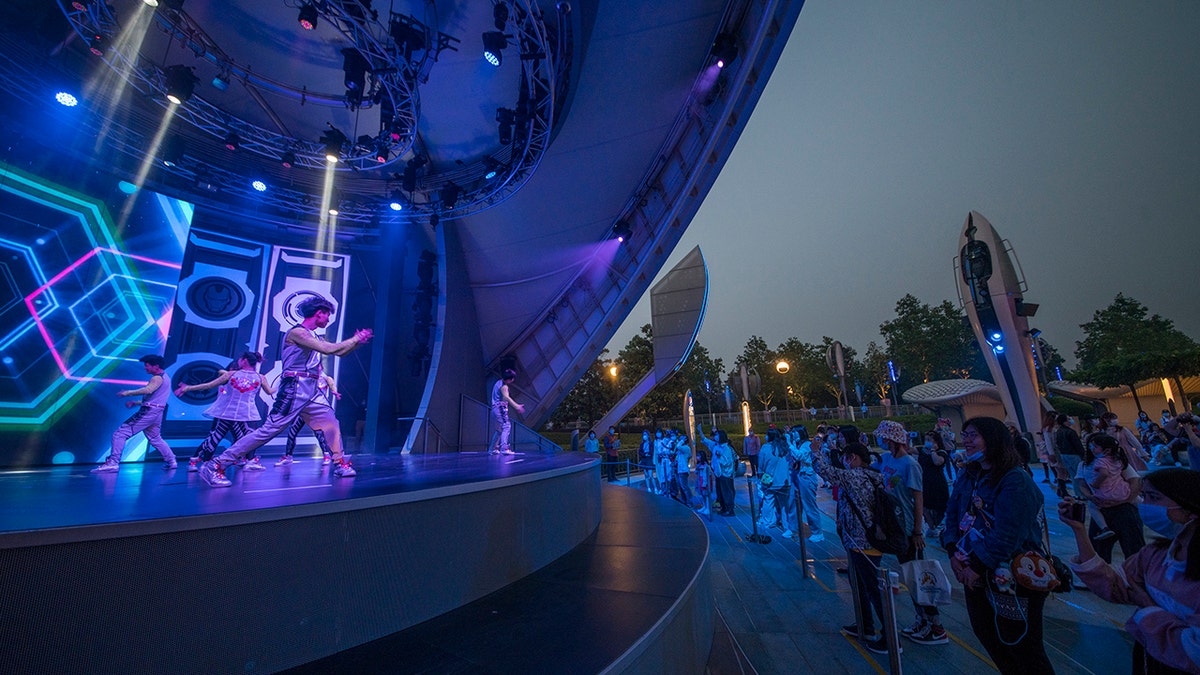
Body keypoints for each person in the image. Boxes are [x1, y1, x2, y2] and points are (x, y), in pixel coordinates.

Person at [198, 295, 372, 488]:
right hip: (295, 387)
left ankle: (340, 463)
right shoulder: (297, 332)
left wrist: (356, 343)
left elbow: (339, 352)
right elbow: (328, 349)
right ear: (318, 313)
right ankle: (216, 464)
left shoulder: (314, 335)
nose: (328, 319)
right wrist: (355, 338)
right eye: (327, 315)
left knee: (331, 423)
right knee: (268, 431)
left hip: (312, 389)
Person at [1060, 468, 1200, 674]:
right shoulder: (1157, 554)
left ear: (1190, 508)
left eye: (1154, 497)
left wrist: (1148, 606)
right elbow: (1114, 583)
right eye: (1144, 496)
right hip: (1150, 659)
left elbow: (1194, 651)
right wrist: (1079, 530)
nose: (1146, 505)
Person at [942, 417, 1054, 674]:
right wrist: (952, 553)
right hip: (972, 572)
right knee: (990, 637)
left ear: (994, 439)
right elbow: (953, 513)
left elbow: (1009, 533)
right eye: (965, 434)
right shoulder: (968, 474)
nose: (967, 440)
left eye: (974, 435)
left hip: (1011, 576)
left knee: (1022, 646)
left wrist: (978, 566)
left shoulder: (1015, 479)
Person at [810, 441, 893, 655]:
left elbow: (825, 471)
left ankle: (891, 639)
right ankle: (865, 625)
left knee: (873, 589)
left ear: (854, 458)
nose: (844, 462)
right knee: (862, 586)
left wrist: (816, 452)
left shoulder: (856, 476)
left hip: (863, 542)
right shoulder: (872, 475)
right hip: (860, 541)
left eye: (846, 458)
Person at [874, 420, 945, 646]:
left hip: (908, 527)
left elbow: (917, 498)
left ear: (893, 439)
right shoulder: (885, 459)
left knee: (917, 576)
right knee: (908, 575)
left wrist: (917, 530)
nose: (881, 441)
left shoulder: (910, 465)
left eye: (884, 437)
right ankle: (921, 619)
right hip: (893, 526)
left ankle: (935, 626)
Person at [175, 352, 275, 472]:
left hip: (227, 412)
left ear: (244, 361)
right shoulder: (260, 377)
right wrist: (281, 385)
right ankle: (249, 461)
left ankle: (205, 463)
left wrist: (187, 388)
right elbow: (269, 391)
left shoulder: (231, 374)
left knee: (216, 437)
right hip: (247, 413)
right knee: (249, 438)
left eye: (240, 359)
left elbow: (208, 385)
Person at [92, 354, 178, 473]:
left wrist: (127, 393)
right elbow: (155, 398)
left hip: (149, 412)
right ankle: (171, 461)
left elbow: (149, 390)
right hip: (157, 412)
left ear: (156, 366)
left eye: (147, 366)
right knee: (155, 438)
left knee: (120, 434)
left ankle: (113, 463)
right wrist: (137, 402)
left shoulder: (157, 378)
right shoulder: (166, 377)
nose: (145, 368)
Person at [276, 372, 338, 466]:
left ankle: (326, 456)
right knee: (292, 432)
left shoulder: (326, 378)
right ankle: (288, 456)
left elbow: (332, 385)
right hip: (303, 410)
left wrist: (334, 391)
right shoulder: (307, 377)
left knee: (319, 433)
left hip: (315, 412)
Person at [1078, 433, 1131, 542]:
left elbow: (1103, 474)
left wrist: (1094, 486)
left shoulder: (1099, 461)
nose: (1091, 448)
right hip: (1122, 492)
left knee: (1092, 507)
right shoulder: (1117, 460)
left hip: (1104, 496)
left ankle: (1104, 528)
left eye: (1095, 446)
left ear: (1106, 450)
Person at [788, 426, 824, 542]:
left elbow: (800, 456)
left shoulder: (807, 445)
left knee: (809, 505)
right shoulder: (796, 444)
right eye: (792, 432)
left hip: (807, 476)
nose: (794, 434)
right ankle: (792, 528)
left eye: (795, 432)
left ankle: (817, 532)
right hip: (797, 475)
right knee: (793, 503)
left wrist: (790, 443)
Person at [756, 428, 793, 538]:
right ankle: (787, 527)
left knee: (768, 500)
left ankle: (768, 522)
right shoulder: (784, 447)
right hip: (785, 481)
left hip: (770, 481)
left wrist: (759, 475)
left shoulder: (766, 448)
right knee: (784, 505)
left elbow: (761, 465)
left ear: (769, 436)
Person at [698, 425, 737, 516]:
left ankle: (729, 509)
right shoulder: (716, 446)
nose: (715, 436)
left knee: (727, 491)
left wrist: (720, 459)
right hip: (718, 473)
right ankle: (723, 507)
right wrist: (700, 431)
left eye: (717, 435)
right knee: (720, 491)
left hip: (725, 473)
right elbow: (705, 440)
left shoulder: (726, 448)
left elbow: (728, 461)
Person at [919, 431, 950, 539]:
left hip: (938, 484)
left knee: (940, 507)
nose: (926, 442)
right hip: (925, 483)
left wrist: (933, 450)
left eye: (929, 440)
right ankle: (932, 527)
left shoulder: (941, 453)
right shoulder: (922, 451)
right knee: (924, 507)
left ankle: (940, 526)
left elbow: (938, 462)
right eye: (925, 440)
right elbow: (908, 450)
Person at [491, 369, 526, 455]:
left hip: (494, 408)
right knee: (506, 426)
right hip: (499, 408)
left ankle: (493, 448)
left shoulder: (498, 382)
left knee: (499, 430)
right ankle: (504, 448)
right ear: (511, 379)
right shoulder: (504, 386)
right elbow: (506, 397)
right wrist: (516, 406)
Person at [1053, 414, 1085, 497]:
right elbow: (1077, 445)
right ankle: (1083, 494)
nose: (1070, 420)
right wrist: (1083, 455)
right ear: (1064, 421)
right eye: (1068, 419)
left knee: (1073, 475)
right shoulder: (1070, 432)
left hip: (1064, 455)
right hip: (1074, 455)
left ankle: (1078, 494)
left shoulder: (1059, 431)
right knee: (1080, 475)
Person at [674, 430, 693, 505]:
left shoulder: (686, 448)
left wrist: (681, 441)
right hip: (679, 470)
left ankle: (689, 501)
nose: (680, 440)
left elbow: (678, 446)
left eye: (682, 439)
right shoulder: (681, 449)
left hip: (683, 470)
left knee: (684, 486)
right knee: (681, 486)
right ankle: (684, 500)